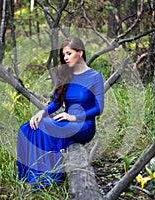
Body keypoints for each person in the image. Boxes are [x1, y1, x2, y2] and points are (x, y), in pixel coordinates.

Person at [17, 36, 104, 188]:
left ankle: (47, 178)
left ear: (80, 53)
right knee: (26, 129)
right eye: (64, 55)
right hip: (65, 122)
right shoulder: (65, 74)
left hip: (85, 125)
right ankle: (32, 176)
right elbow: (56, 103)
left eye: (69, 53)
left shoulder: (95, 77)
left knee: (46, 127)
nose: (65, 58)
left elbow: (99, 108)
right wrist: (41, 113)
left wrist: (73, 117)